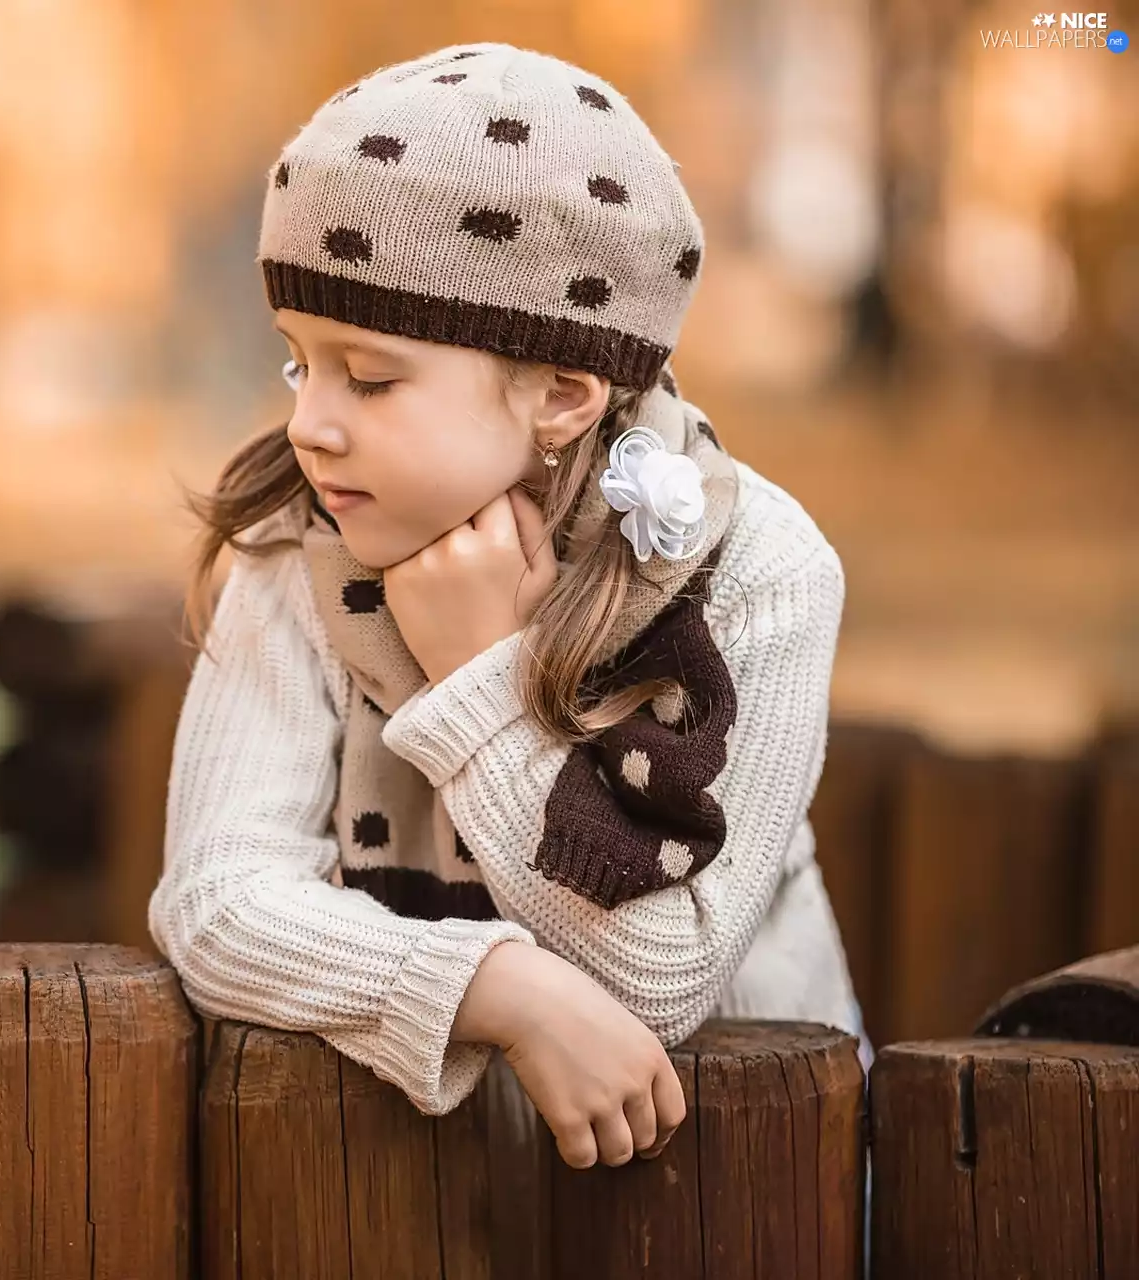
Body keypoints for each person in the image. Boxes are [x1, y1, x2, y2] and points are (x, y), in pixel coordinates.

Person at [148, 42, 865, 1172]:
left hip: (736, 1176)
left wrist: (482, 684)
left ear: (563, 394)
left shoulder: (757, 568)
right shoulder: (297, 551)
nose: (308, 425)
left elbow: (664, 977)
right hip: (394, 1187)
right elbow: (215, 901)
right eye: (298, 364)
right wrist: (501, 989)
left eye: (368, 378)